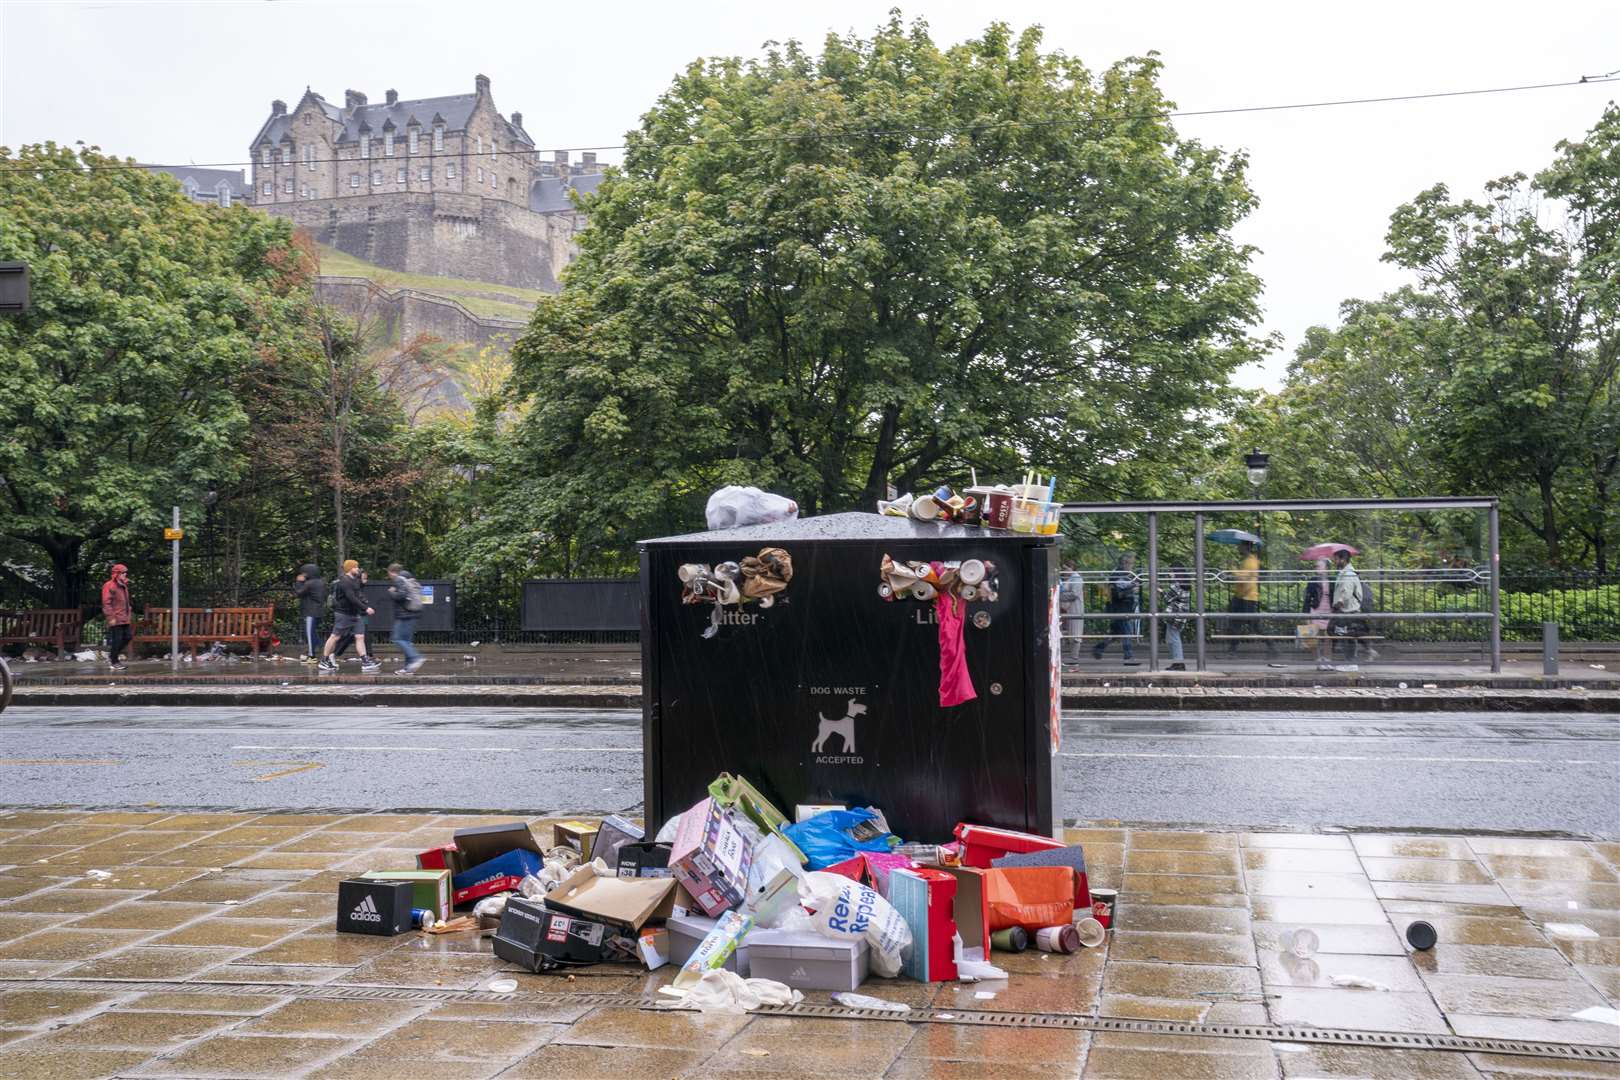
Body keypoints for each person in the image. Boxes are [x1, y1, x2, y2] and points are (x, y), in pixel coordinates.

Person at [319, 560, 380, 674]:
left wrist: (364, 604)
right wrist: (365, 608)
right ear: (350, 569)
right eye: (356, 567)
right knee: (335, 637)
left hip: (355, 614)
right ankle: (324, 660)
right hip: (343, 613)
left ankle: (365, 661)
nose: (358, 569)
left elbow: (358, 594)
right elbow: (351, 597)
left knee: (360, 636)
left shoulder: (354, 580)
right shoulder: (344, 581)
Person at [1091, 553, 1140, 665]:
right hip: (1120, 608)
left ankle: (1099, 648)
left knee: (1116, 633)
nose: (1131, 565)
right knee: (1126, 631)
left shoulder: (1126, 574)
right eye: (1130, 563)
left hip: (1124, 607)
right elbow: (1118, 591)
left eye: (1132, 563)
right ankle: (1128, 657)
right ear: (1124, 563)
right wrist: (1133, 587)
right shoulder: (1117, 574)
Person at [1228, 540, 1274, 657]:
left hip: (1247, 598)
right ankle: (1232, 650)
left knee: (1253, 625)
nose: (1238, 548)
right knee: (1236, 624)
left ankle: (1271, 646)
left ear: (1245, 547)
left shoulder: (1251, 562)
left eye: (1240, 545)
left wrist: (1232, 567)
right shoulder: (1248, 561)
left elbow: (1242, 578)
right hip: (1242, 597)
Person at [1330, 548, 1375, 662]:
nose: (1334, 561)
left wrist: (1338, 604)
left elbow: (1346, 592)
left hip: (1347, 610)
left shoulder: (1348, 574)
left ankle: (1351, 660)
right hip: (1348, 610)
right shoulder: (1345, 573)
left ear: (1343, 560)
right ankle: (1362, 653)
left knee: (1343, 634)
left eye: (1336, 559)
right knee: (1349, 634)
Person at [386, 563, 426, 675]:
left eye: (388, 573)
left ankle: (416, 658)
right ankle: (408, 668)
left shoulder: (399, 579)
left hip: (404, 615)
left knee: (397, 639)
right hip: (414, 613)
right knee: (407, 642)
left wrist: (392, 592)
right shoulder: (409, 579)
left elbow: (402, 596)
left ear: (391, 572)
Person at [1303, 558, 1334, 670]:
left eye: (1319, 566)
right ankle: (1317, 661)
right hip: (1316, 610)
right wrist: (1306, 615)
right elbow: (1307, 599)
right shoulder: (1313, 581)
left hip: (1328, 611)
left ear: (1326, 568)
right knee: (1312, 636)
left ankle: (1327, 660)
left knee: (1327, 637)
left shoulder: (1332, 580)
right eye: (1316, 566)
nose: (1317, 568)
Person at [100, 563, 133, 671]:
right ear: (117, 574)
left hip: (124, 617)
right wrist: (111, 617)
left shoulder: (123, 585)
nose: (125, 574)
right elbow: (106, 603)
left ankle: (112, 656)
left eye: (126, 572)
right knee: (117, 640)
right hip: (115, 618)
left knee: (128, 637)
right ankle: (114, 661)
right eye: (123, 572)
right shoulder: (109, 585)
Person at [292, 564, 327, 665]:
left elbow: (298, 593)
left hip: (310, 612)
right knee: (313, 633)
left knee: (309, 634)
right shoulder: (320, 582)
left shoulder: (310, 583)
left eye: (304, 573)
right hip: (318, 611)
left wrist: (298, 582)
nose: (302, 575)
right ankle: (320, 646)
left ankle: (312, 656)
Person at [1161, 567, 1190, 670]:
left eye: (1171, 572)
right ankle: (1177, 661)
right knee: (1171, 637)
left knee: (1173, 638)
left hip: (1175, 614)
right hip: (1181, 615)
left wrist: (1160, 591)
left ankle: (1178, 662)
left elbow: (1167, 598)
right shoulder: (1184, 584)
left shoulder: (1176, 585)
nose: (1169, 574)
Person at [1058, 561, 1084, 665]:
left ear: (1072, 567)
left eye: (1065, 569)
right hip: (1070, 609)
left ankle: (1074, 659)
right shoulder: (1071, 578)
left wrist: (1058, 596)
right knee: (1071, 633)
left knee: (1076, 633)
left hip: (1075, 609)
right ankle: (1072, 658)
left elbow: (1074, 594)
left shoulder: (1076, 578)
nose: (1064, 571)